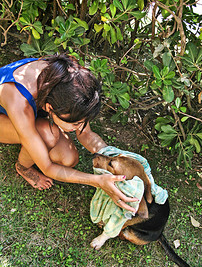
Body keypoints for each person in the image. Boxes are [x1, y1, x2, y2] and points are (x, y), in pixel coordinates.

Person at [0, 54, 137, 212]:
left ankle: (36, 145)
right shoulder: (19, 101)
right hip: (6, 115)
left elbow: (85, 134)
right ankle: (22, 167)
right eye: (75, 123)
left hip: (31, 111)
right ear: (50, 108)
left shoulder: (73, 77)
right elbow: (48, 168)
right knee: (47, 134)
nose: (78, 127)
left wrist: (114, 155)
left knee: (68, 159)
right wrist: (97, 181)